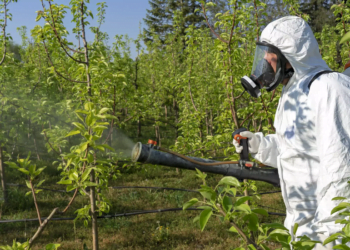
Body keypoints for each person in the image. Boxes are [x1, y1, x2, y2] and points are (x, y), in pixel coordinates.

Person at [233, 16, 350, 249]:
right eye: (263, 54)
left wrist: (331, 237)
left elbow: (342, 169)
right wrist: (259, 145)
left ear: (290, 56)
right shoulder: (292, 93)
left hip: (327, 231)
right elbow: (296, 148)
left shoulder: (328, 88)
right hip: (300, 227)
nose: (265, 61)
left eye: (270, 55)